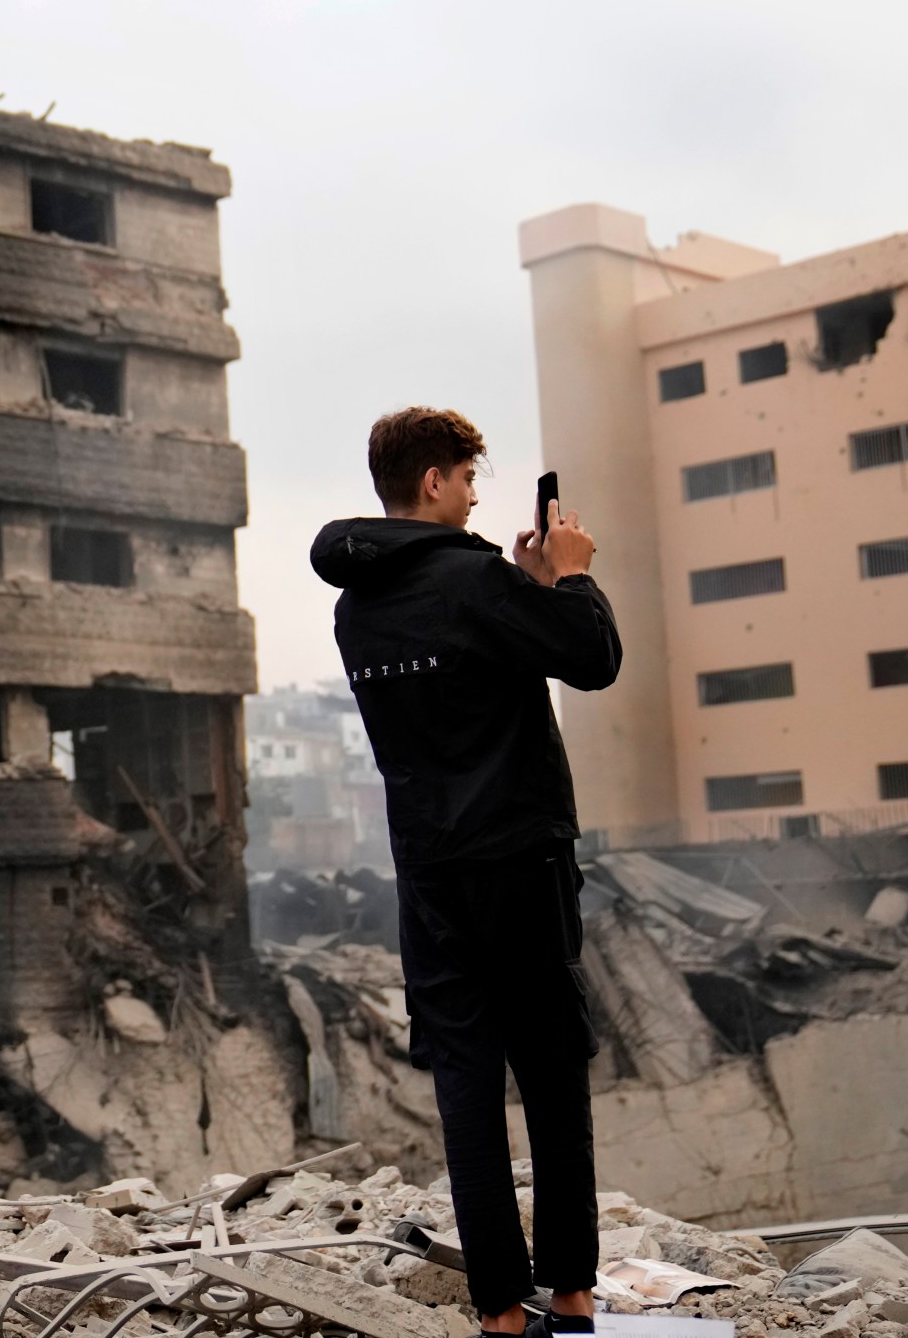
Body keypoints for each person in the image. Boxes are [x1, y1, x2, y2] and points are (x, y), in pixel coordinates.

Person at [309, 407, 621, 1338]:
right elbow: (593, 659)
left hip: (431, 874)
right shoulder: (473, 580)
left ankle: (498, 1314)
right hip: (520, 863)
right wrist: (568, 576)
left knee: (466, 1084)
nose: (479, 495)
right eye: (470, 479)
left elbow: (467, 679)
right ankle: (569, 1294)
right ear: (436, 481)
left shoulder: (354, 603)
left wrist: (520, 588)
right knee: (554, 1074)